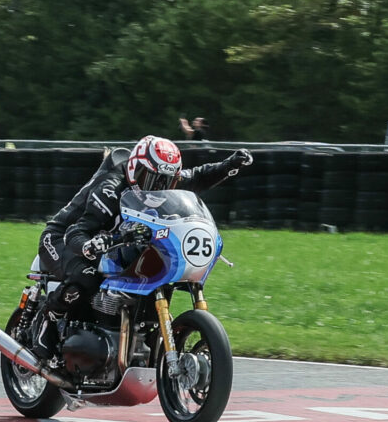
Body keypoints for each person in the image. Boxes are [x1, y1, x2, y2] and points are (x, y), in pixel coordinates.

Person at [33, 135, 253, 360]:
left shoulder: (164, 179)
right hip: (63, 238)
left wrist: (229, 165)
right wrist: (91, 245)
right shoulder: (110, 188)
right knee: (86, 277)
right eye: (151, 180)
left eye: (167, 182)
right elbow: (78, 232)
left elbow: (197, 176)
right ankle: (46, 320)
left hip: (115, 242)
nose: (159, 188)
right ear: (134, 168)